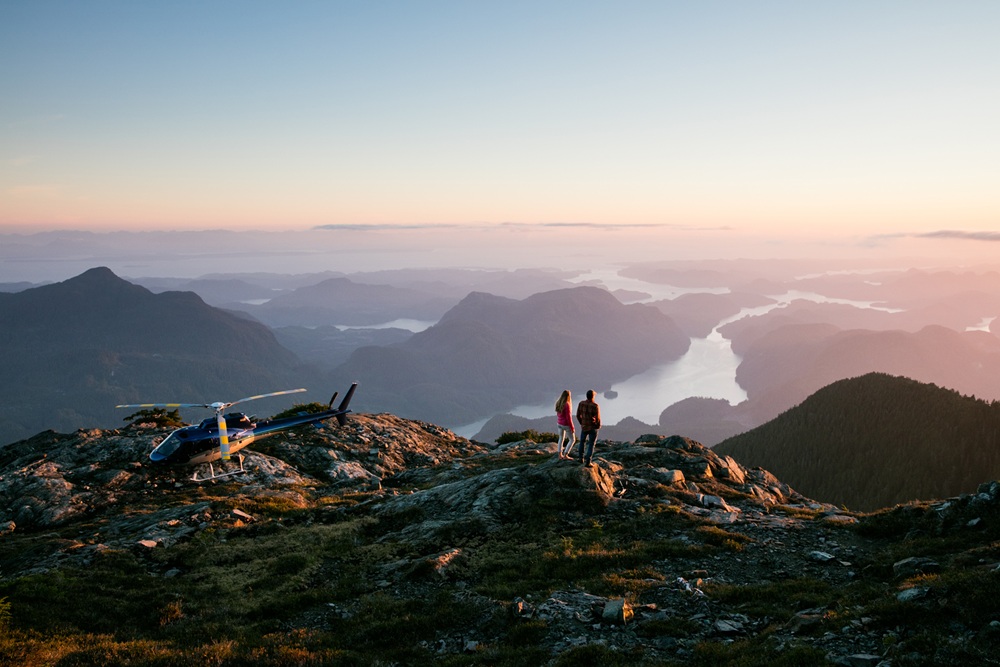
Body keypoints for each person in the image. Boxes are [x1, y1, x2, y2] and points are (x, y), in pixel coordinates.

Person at [576, 389, 601, 467]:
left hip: (584, 426)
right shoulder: (595, 406)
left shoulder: (581, 403)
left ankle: (580, 458)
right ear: (593, 396)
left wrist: (582, 423)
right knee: (591, 444)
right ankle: (588, 461)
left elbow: (577, 415)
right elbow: (598, 418)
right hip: (592, 427)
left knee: (582, 442)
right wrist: (598, 426)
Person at [554, 390, 576, 459]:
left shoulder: (558, 402)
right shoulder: (567, 405)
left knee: (561, 438)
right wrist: (572, 427)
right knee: (572, 440)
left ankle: (560, 455)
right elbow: (568, 418)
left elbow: (558, 413)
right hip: (565, 424)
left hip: (559, 423)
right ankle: (566, 454)